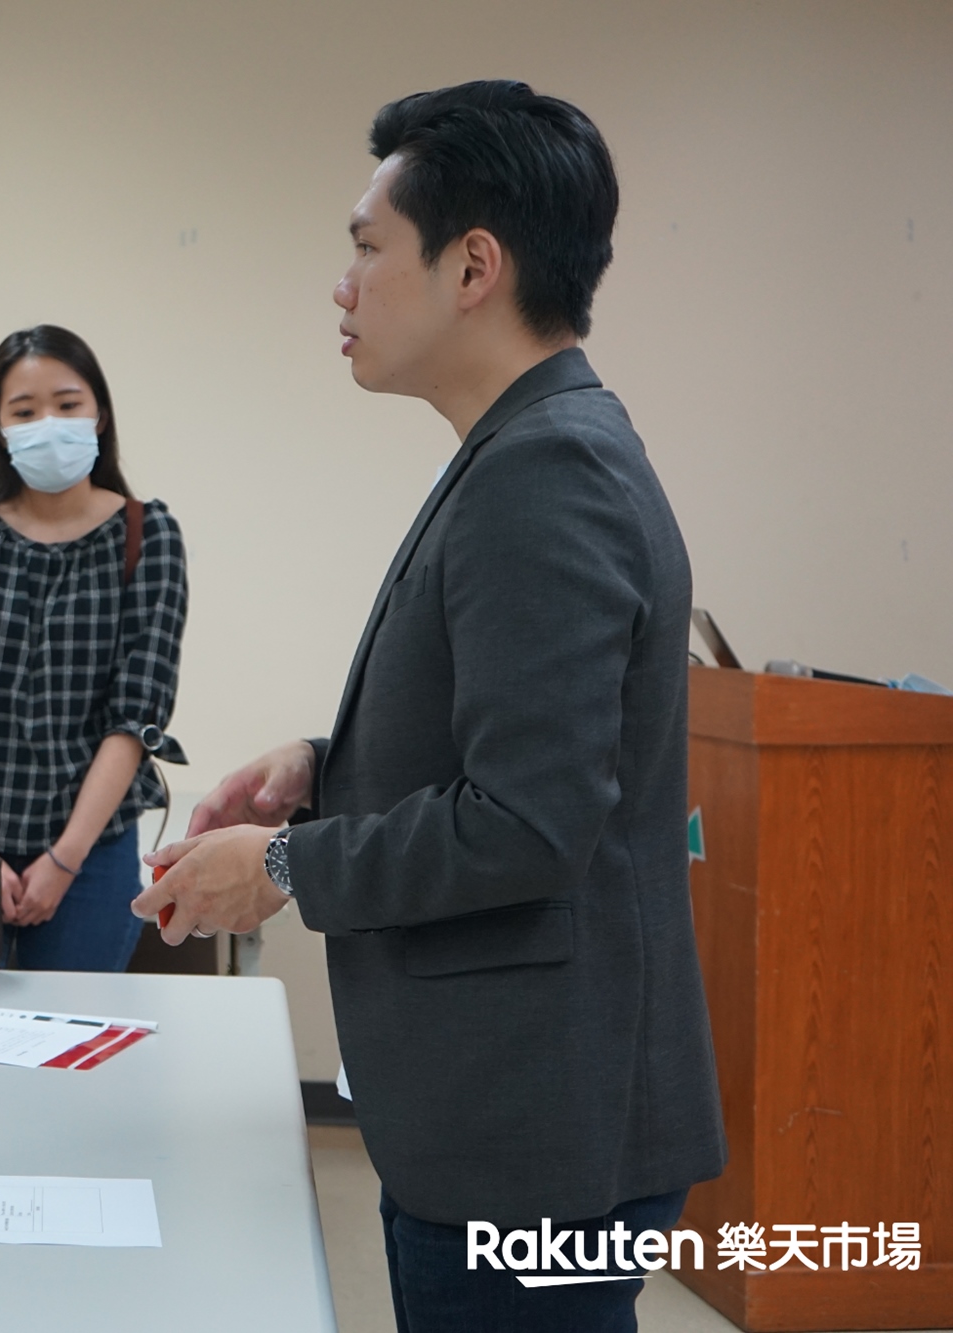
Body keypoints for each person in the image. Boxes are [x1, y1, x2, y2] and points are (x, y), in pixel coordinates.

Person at [135, 82, 726, 1331]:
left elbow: (525, 821)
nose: (340, 285)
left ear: (471, 267)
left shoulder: (545, 470)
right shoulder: (527, 448)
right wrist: (321, 762)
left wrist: (280, 865)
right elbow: (512, 738)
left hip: (530, 1127)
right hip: (517, 1107)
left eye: (366, 246)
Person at [0, 325, 187, 971]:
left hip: (91, 855)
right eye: (24, 411)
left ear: (99, 414)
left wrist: (64, 859)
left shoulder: (148, 534)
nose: (48, 423)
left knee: (72, 1029)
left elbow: (137, 711)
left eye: (67, 403)